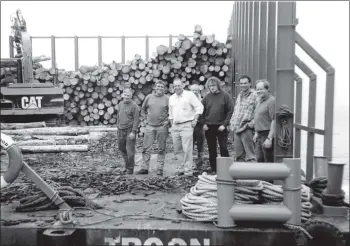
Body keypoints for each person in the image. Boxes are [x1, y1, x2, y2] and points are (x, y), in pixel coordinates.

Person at [168, 78, 204, 176]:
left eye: (179, 85)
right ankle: (181, 168)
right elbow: (170, 113)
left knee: (187, 149)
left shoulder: (189, 95)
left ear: (183, 85)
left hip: (186, 125)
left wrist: (195, 119)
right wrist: (172, 125)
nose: (177, 88)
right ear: (173, 87)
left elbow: (199, 107)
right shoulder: (171, 98)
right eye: (175, 86)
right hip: (175, 126)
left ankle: (188, 171)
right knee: (177, 149)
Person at [200, 77, 234, 174]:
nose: (212, 87)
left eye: (214, 85)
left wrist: (225, 124)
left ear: (218, 85)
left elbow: (230, 110)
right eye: (210, 86)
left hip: (221, 126)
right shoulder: (207, 97)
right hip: (209, 126)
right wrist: (203, 123)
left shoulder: (225, 96)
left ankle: (227, 169)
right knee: (212, 149)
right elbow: (201, 110)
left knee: (223, 147)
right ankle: (214, 168)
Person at [136, 81, 169, 176]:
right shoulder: (149, 97)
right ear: (155, 87)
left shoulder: (167, 99)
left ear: (164, 88)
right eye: (158, 86)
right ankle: (144, 167)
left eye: (161, 86)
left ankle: (159, 168)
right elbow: (142, 109)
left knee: (161, 148)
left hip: (162, 127)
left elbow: (171, 111)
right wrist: (144, 120)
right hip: (149, 126)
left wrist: (167, 121)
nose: (159, 88)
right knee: (146, 148)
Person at [230, 75, 257, 162]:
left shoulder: (255, 95)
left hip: (247, 129)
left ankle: (252, 174)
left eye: (245, 83)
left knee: (250, 155)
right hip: (237, 128)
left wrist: (250, 124)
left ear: (250, 83)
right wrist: (232, 123)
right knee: (239, 155)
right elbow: (235, 111)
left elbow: (258, 112)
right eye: (241, 83)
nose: (243, 85)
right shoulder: (240, 95)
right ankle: (241, 174)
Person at [117, 88, 140, 174]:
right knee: (121, 148)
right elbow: (118, 117)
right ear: (122, 95)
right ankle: (126, 165)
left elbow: (136, 119)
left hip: (129, 130)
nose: (126, 97)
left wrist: (133, 131)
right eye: (125, 95)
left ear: (131, 96)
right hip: (120, 129)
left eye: (128, 96)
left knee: (130, 150)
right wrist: (117, 127)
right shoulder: (120, 104)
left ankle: (130, 168)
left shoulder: (134, 106)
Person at [253, 79, 276, 163]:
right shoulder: (259, 101)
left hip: (267, 134)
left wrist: (269, 138)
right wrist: (256, 133)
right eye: (257, 89)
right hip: (259, 135)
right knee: (259, 160)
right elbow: (257, 117)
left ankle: (270, 176)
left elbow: (274, 120)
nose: (259, 91)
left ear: (267, 89)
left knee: (268, 161)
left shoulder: (272, 101)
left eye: (261, 89)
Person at [189, 84, 205, 169]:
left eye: (196, 90)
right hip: (189, 125)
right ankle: (189, 161)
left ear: (199, 91)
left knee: (200, 142)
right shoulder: (187, 100)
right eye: (193, 90)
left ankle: (200, 160)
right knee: (190, 142)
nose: (194, 92)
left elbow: (204, 112)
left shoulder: (202, 100)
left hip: (200, 125)